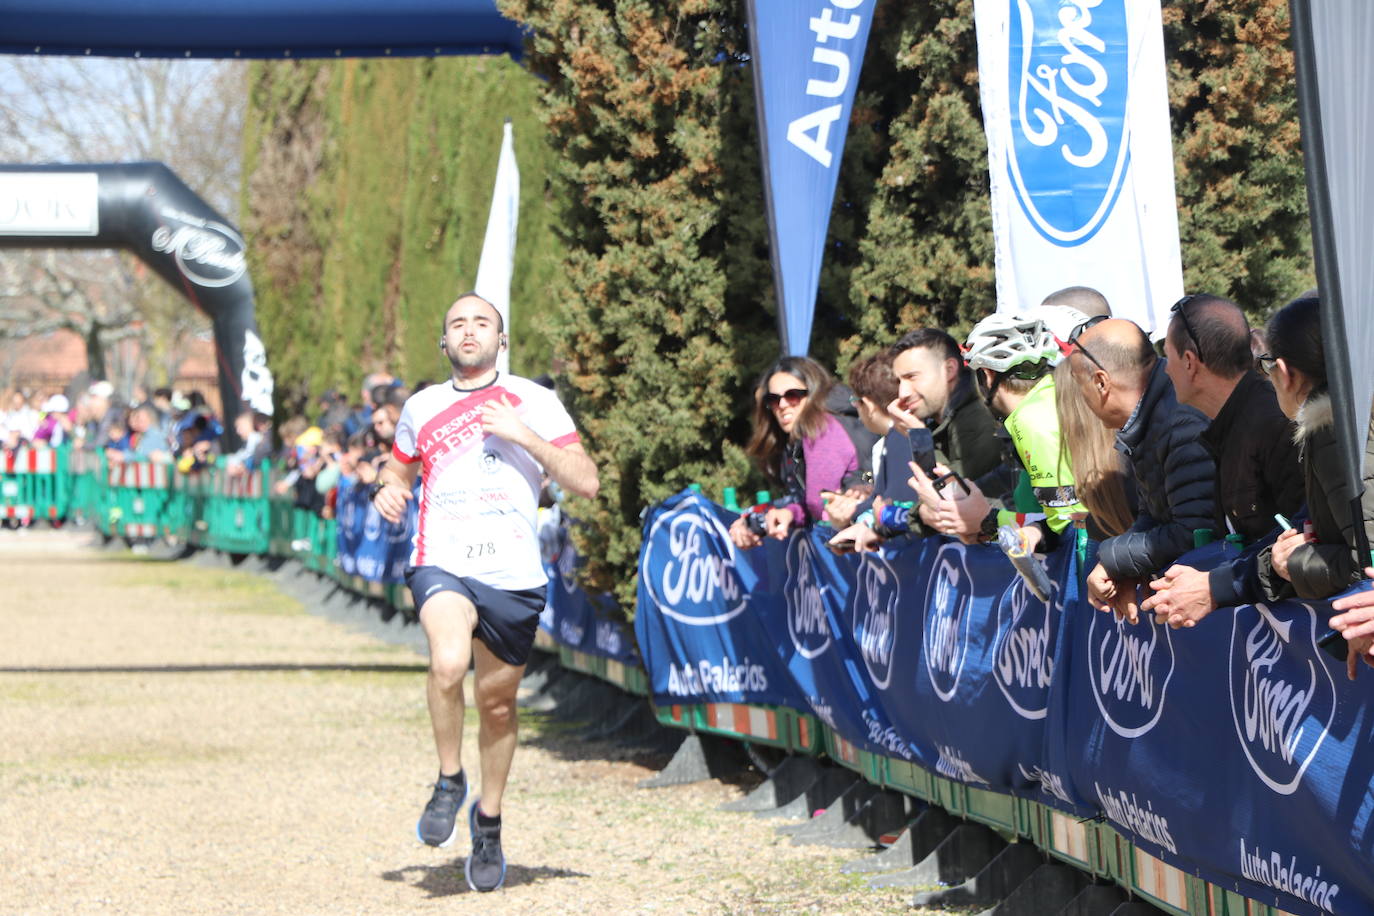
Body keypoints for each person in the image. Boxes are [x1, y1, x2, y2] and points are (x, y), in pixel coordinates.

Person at [372, 292, 598, 893]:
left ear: (501, 340)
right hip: (441, 560)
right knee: (448, 663)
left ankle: (489, 821)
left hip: (514, 575)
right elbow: (397, 469)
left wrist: (523, 434)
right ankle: (450, 779)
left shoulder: (536, 401)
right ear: (444, 342)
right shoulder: (421, 407)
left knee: (497, 706)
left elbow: (586, 481)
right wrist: (386, 488)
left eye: (482, 323)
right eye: (457, 324)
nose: (469, 331)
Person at [1141, 294, 1304, 628]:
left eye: (1167, 356)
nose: (1165, 369)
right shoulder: (1233, 423)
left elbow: (1303, 540)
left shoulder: (1274, 421)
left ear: (1189, 361)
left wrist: (1215, 586)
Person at [1067, 318, 1216, 622]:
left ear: (1100, 382)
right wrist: (1123, 567)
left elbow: (1196, 532)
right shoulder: (1147, 419)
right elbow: (1154, 515)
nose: (1080, 401)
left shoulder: (1180, 422)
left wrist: (1113, 559)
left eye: (1078, 386)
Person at [922, 313, 1089, 550]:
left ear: (987, 376)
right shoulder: (1053, 396)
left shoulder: (1031, 419)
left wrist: (984, 520)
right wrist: (987, 522)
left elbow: (1066, 531)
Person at [1255, 294, 1374, 605]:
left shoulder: (1332, 430)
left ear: (1284, 372)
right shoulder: (1350, 417)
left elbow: (1366, 563)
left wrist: (1293, 563)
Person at [729, 356, 862, 549]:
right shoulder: (797, 437)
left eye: (793, 395)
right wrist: (787, 514)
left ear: (814, 393)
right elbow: (810, 504)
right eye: (773, 399)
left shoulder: (822, 429)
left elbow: (818, 506)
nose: (782, 405)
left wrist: (783, 514)